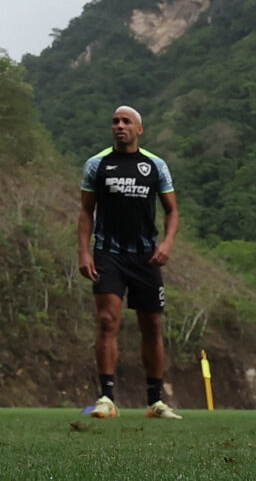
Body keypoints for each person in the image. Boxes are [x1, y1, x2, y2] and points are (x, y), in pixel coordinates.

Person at [78, 106, 181, 420]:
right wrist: (84, 252)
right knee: (108, 322)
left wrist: (166, 243)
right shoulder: (97, 165)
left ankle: (155, 402)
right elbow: (86, 212)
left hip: (146, 257)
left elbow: (172, 211)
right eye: (115, 122)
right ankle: (106, 398)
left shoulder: (155, 165)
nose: (119, 126)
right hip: (108, 253)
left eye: (126, 122)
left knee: (152, 327)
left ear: (140, 129)